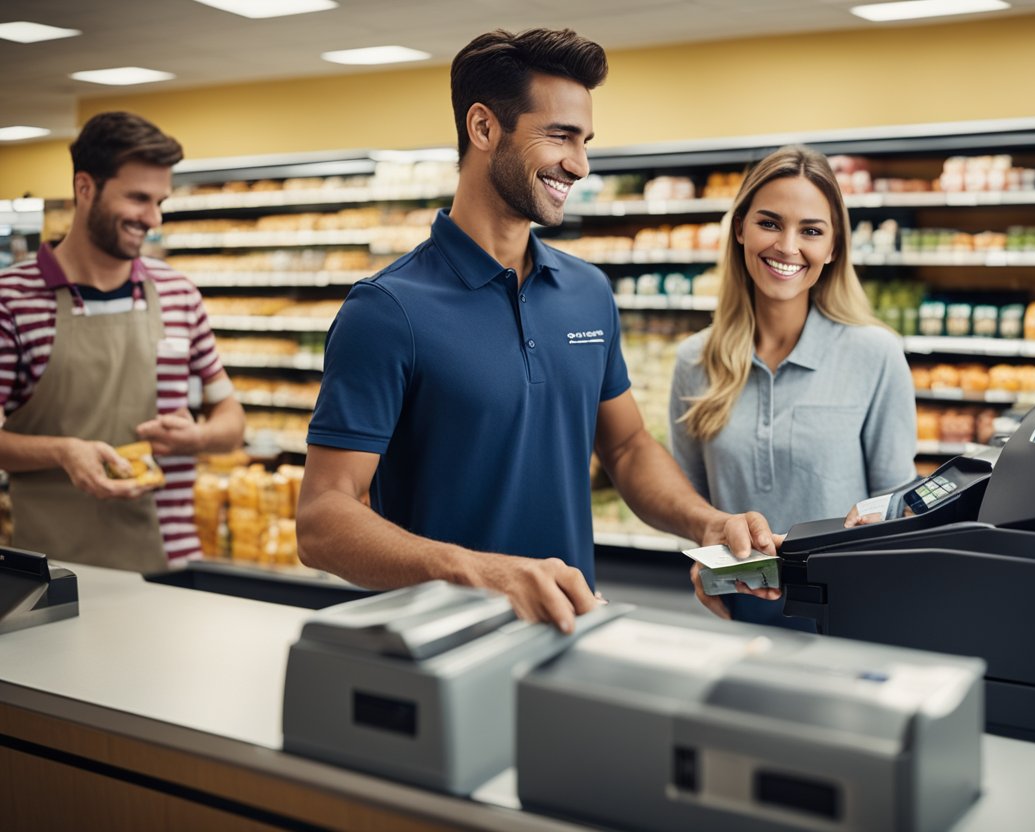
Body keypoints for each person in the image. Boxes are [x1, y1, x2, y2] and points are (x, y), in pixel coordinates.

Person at [296, 28, 776, 633]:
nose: (579, 164)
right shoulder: (388, 310)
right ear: (483, 128)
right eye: (560, 137)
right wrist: (481, 572)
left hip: (572, 629)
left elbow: (626, 448)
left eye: (585, 140)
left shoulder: (587, 293)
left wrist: (705, 522)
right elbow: (322, 518)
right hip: (439, 646)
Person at [669, 145, 917, 630]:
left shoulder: (876, 354)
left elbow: (896, 506)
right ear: (739, 228)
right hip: (738, 615)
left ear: (833, 248)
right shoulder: (694, 361)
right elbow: (692, 507)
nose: (787, 246)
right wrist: (700, 559)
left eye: (810, 231)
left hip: (848, 615)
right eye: (769, 223)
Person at [0, 111, 246, 572]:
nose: (152, 219)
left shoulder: (179, 295)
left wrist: (200, 436)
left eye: (160, 201)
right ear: (85, 187)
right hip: (56, 572)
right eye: (137, 198)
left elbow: (231, 420)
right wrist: (63, 452)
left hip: (173, 564)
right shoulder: (11, 301)